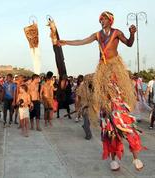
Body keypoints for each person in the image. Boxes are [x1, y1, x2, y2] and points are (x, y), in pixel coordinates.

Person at [58, 11, 145, 171]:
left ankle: (135, 157)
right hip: (103, 70)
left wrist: (132, 34)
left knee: (123, 120)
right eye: (100, 19)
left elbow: (130, 43)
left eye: (104, 19)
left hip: (114, 67)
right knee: (108, 125)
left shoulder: (117, 32)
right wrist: (67, 43)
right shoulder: (98, 35)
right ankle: (114, 159)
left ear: (110, 20)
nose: (102, 21)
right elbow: (82, 41)